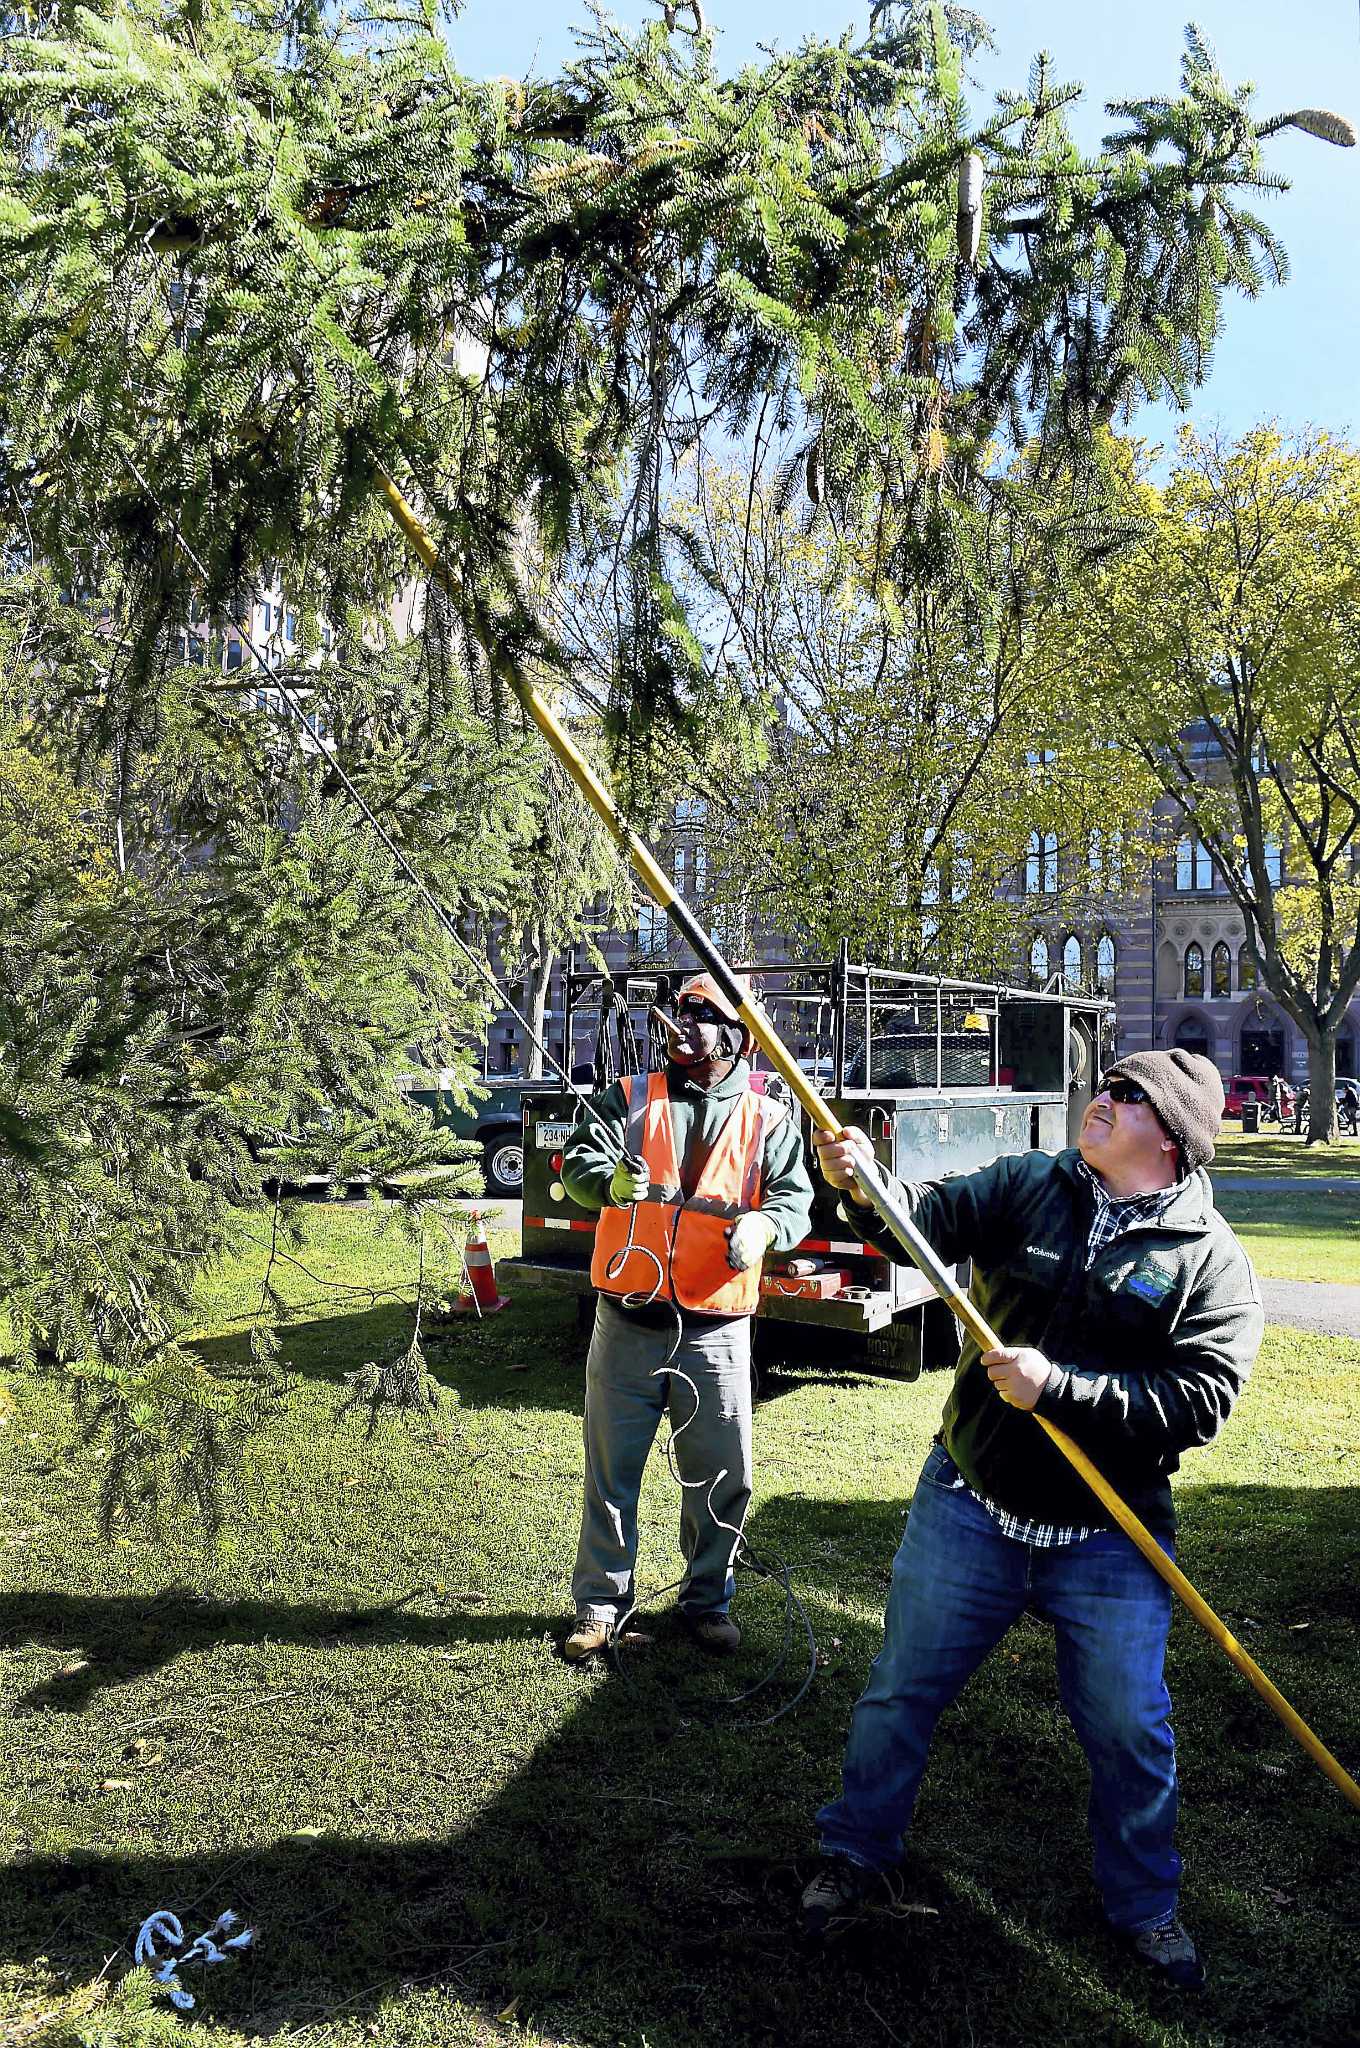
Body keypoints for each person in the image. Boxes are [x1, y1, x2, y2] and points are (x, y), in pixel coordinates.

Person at [801, 1049, 1263, 1992]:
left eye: (1129, 1097)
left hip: (1108, 1536)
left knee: (1131, 1729)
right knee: (900, 1692)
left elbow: (1201, 1399)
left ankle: (1145, 1907)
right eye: (1110, 1083)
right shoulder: (1031, 1183)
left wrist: (1064, 1389)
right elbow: (918, 1228)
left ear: (1171, 1141)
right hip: (970, 1504)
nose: (1104, 1097)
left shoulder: (1209, 1261)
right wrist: (860, 1186)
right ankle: (855, 1852)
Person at [559, 972, 815, 1660]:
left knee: (721, 1479)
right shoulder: (631, 1097)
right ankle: (599, 1605)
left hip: (718, 1331)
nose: (685, 1024)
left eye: (703, 1015)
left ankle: (707, 1603)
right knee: (611, 1475)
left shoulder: (770, 1116)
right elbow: (577, 1164)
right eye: (680, 1011)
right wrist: (607, 1183)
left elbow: (795, 1200)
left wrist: (765, 1226)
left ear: (737, 1035)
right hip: (626, 1324)